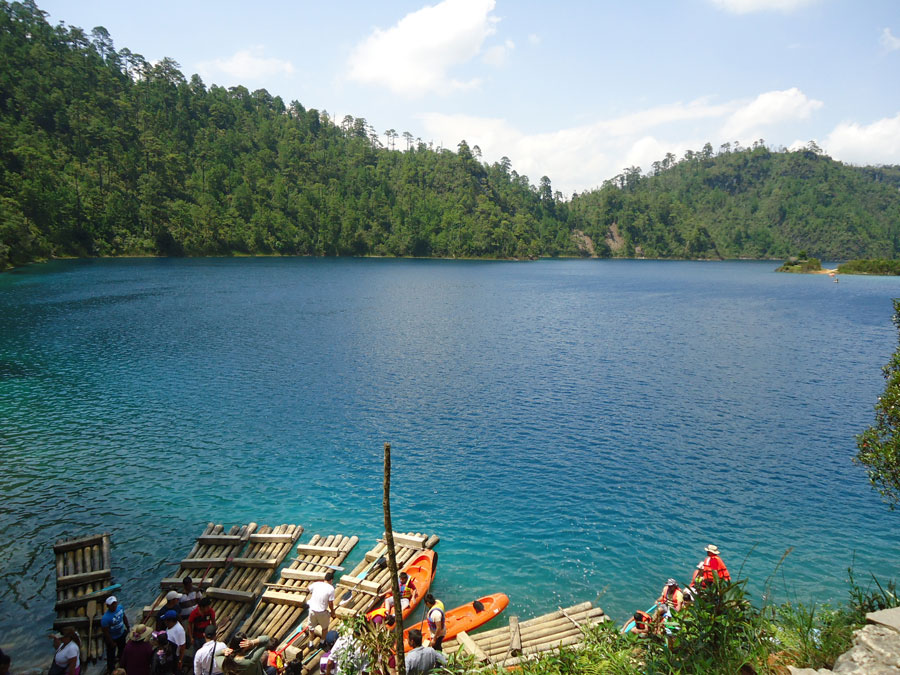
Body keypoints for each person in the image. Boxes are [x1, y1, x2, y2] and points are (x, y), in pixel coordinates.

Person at [101, 596, 130, 674]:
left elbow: (124, 617)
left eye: (115, 603)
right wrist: (111, 642)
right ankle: (111, 669)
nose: (114, 606)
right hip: (112, 638)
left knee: (122, 650)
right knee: (111, 655)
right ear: (108, 606)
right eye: (112, 605)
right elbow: (106, 632)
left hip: (121, 634)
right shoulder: (105, 618)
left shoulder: (120, 608)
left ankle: (122, 664)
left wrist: (127, 626)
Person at [306, 571, 336, 641]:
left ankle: (310, 643)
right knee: (325, 628)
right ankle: (322, 642)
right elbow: (330, 603)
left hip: (312, 610)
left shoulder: (316, 584)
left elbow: (308, 588)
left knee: (311, 628)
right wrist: (332, 612)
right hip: (321, 612)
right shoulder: (331, 588)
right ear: (331, 580)